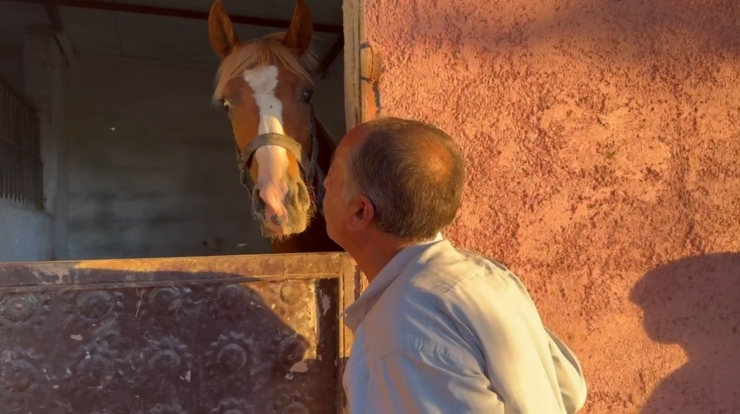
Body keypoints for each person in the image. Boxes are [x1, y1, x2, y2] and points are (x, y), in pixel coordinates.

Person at [322, 116, 588, 414]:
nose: (324, 182)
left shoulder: (404, 329)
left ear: (360, 212)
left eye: (333, 174)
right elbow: (569, 389)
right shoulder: (486, 275)